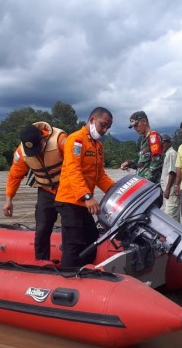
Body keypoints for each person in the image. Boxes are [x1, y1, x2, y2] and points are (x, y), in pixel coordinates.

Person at [55, 107, 115, 268]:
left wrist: (118, 190)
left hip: (83, 202)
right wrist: (87, 197)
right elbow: (73, 170)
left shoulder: (98, 146)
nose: (105, 130)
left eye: (108, 127)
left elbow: (100, 176)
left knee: (91, 238)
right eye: (103, 124)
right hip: (70, 200)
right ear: (92, 120)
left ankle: (84, 274)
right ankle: (68, 278)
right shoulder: (76, 140)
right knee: (74, 243)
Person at [3, 122, 67, 260]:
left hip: (67, 190)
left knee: (71, 226)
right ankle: (41, 263)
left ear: (43, 139)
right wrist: (8, 200)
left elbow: (77, 167)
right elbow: (15, 175)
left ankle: (71, 262)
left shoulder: (60, 140)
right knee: (42, 229)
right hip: (45, 190)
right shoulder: (21, 153)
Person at [120, 111, 163, 183]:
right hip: (143, 182)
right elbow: (143, 163)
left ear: (144, 121)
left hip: (150, 184)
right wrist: (129, 163)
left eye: (136, 125)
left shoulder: (153, 137)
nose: (135, 128)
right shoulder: (144, 140)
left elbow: (156, 162)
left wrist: (146, 181)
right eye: (134, 126)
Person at [160, 133, 180, 221]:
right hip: (168, 192)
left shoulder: (171, 153)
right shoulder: (167, 154)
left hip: (171, 191)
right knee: (173, 217)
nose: (162, 145)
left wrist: (167, 189)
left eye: (164, 143)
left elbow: (172, 172)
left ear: (169, 143)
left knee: (170, 218)